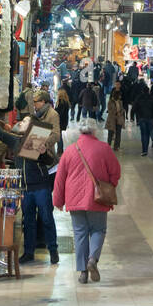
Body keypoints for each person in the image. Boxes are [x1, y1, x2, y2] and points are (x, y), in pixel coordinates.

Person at [0, 89, 61, 265]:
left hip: (41, 186)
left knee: (47, 218)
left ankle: (53, 250)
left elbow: (49, 161)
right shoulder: (15, 141)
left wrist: (44, 152)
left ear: (31, 127)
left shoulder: (38, 141)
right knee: (28, 221)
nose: (20, 122)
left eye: (24, 121)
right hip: (25, 187)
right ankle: (29, 252)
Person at [53, 117, 121, 284]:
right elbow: (115, 172)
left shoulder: (70, 150)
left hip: (74, 199)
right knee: (98, 230)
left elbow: (60, 178)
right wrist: (109, 185)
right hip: (97, 199)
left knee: (80, 234)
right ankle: (92, 260)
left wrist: (58, 200)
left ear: (79, 132)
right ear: (94, 131)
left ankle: (83, 272)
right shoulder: (104, 149)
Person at [132, 80, 153, 155]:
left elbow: (134, 107)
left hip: (141, 118)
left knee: (143, 134)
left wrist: (132, 116)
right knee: (147, 134)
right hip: (150, 118)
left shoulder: (139, 97)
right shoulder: (151, 98)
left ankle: (144, 150)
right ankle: (146, 149)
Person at [106, 83, 125, 151]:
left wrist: (121, 112)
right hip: (112, 119)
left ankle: (116, 147)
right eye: (119, 95)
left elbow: (122, 109)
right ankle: (108, 145)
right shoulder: (110, 102)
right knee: (110, 133)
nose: (120, 96)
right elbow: (109, 110)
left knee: (118, 133)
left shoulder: (120, 102)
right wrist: (116, 113)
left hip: (119, 119)